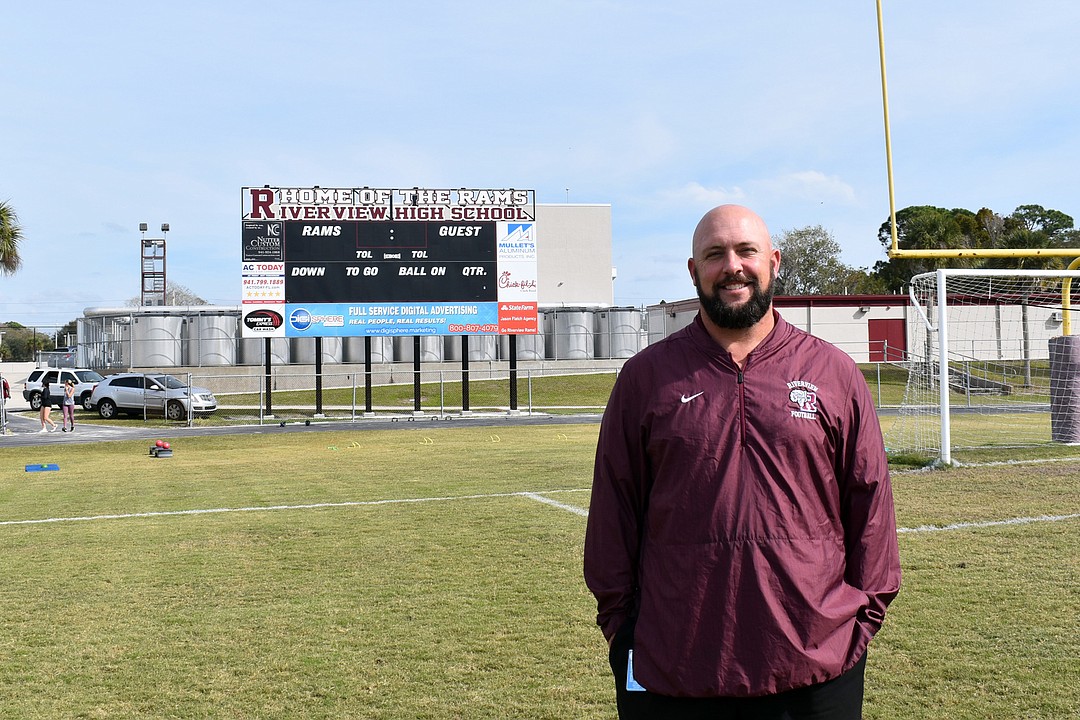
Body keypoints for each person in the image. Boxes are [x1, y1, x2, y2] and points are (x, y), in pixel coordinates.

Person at [584, 205, 901, 719]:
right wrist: (623, 630)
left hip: (817, 664)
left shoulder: (832, 372)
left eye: (746, 251)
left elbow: (870, 505)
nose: (732, 265)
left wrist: (859, 623)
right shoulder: (646, 379)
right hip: (675, 666)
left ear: (773, 262)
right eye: (715, 254)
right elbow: (613, 513)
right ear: (694, 271)